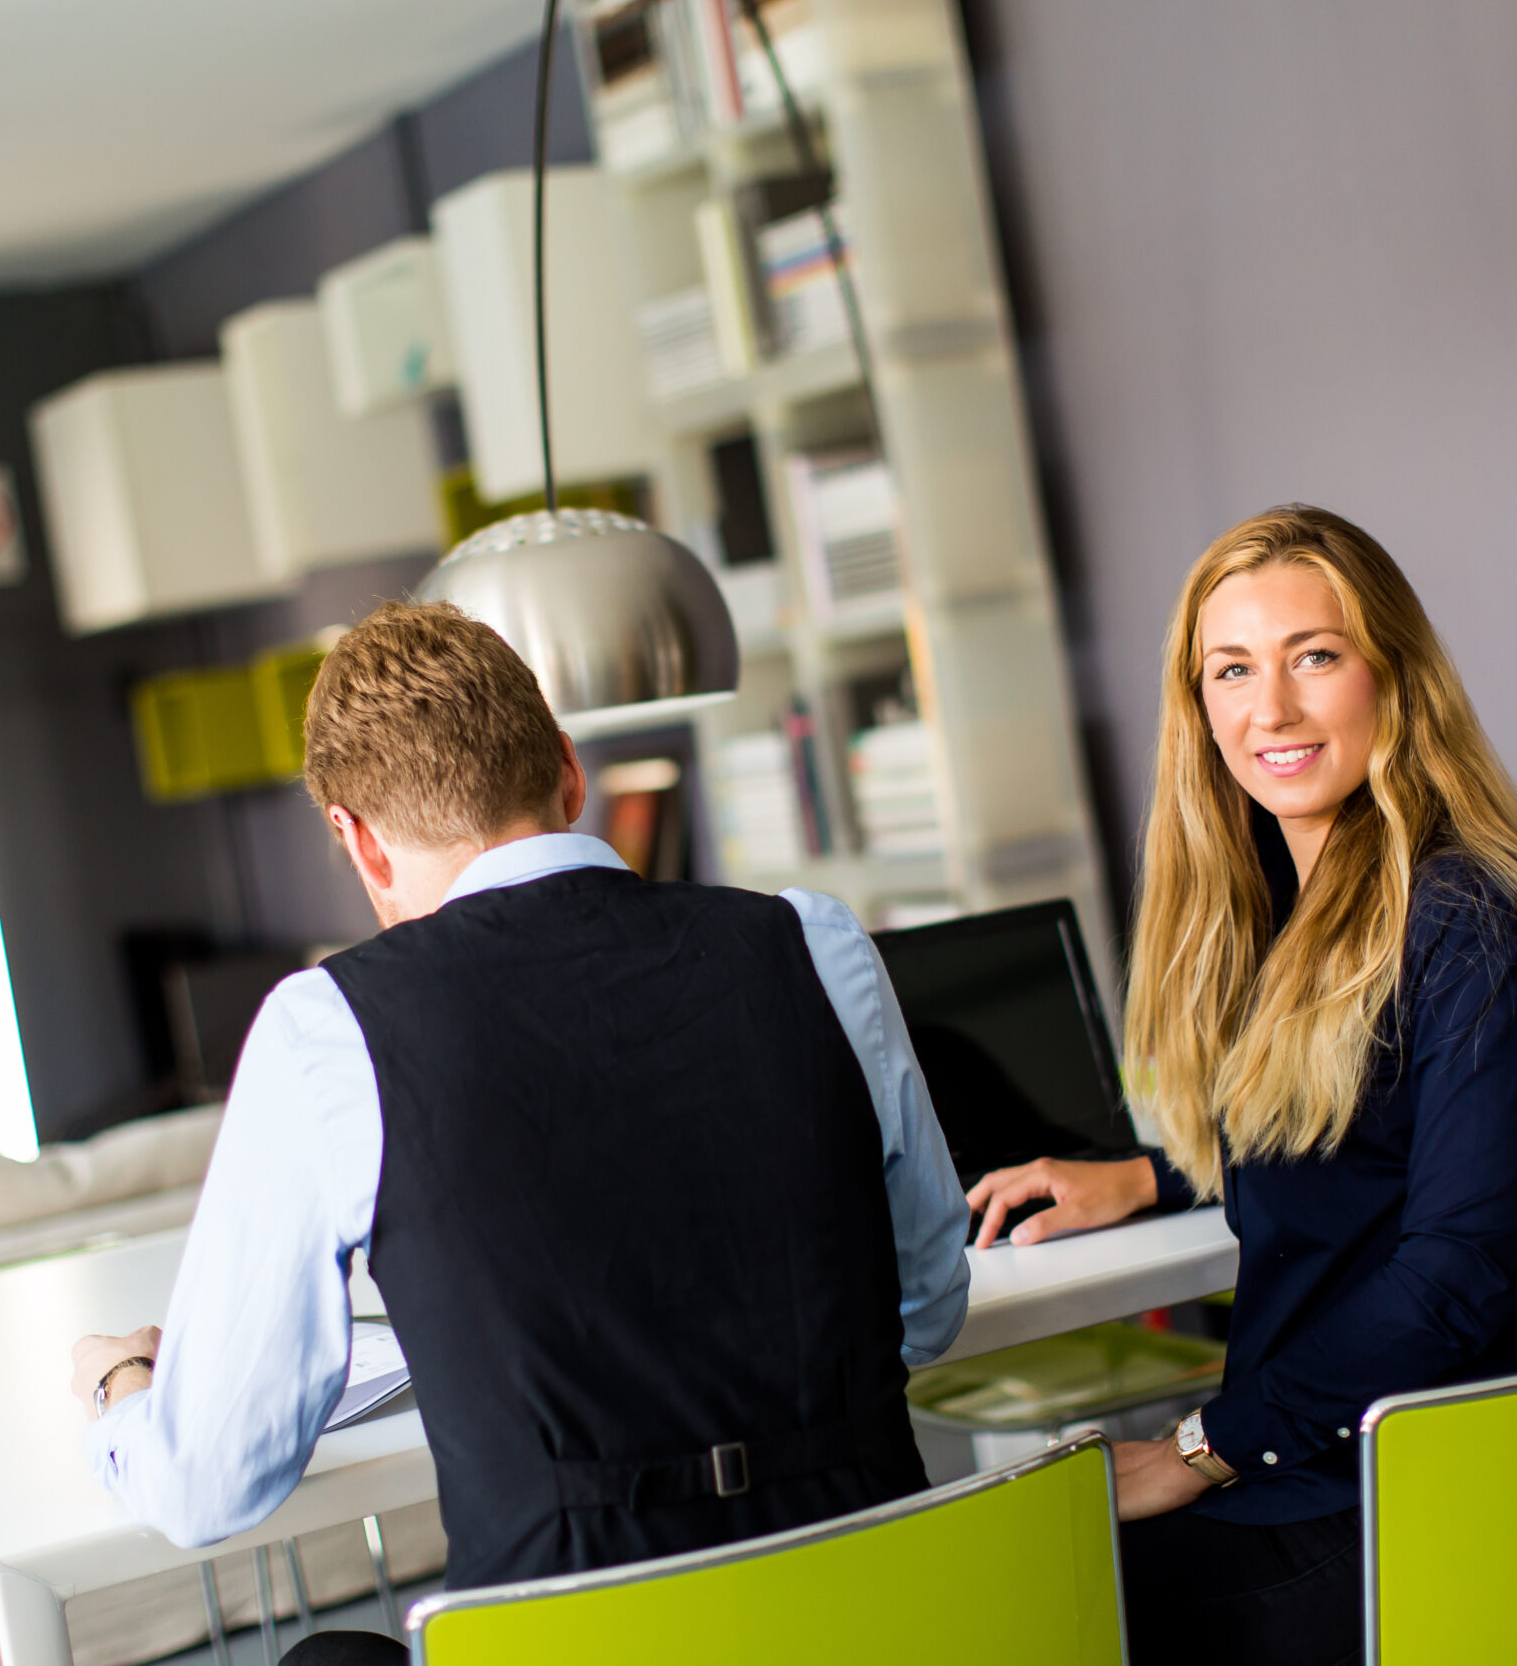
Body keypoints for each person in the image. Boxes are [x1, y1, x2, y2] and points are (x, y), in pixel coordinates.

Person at [69, 600, 970, 1666]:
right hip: (890, 1627)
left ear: (357, 842)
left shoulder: (327, 1031)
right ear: (569, 773)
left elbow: (206, 1485)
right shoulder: (813, 942)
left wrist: (119, 1386)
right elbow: (927, 1307)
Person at [966, 506, 1517, 1666]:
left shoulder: (1467, 916)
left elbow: (1458, 1276)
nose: (1272, 710)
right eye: (1232, 670)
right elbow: (1349, 1135)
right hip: (1312, 1456)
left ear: (1393, 675)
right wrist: (1148, 1176)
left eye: (1314, 656)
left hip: (1404, 1489)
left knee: (1012, 1605)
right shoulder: (1276, 900)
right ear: (1198, 707)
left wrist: (1201, 1448)